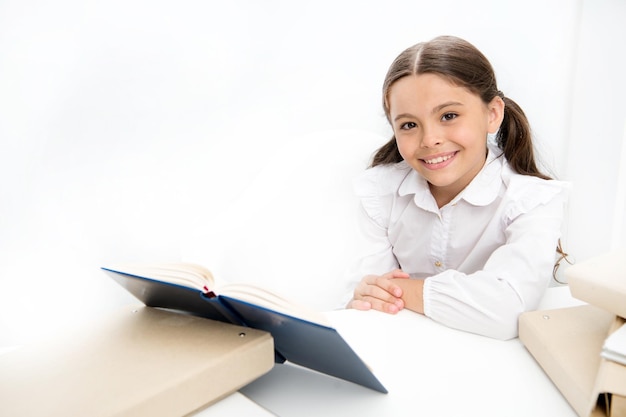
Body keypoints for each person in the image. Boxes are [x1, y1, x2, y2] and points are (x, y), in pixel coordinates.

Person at [346, 35, 570, 340]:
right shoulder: (380, 192)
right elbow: (369, 300)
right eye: (409, 125)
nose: (429, 139)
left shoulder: (532, 200)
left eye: (449, 116)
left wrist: (405, 291)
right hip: (402, 349)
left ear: (493, 114)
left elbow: (506, 310)